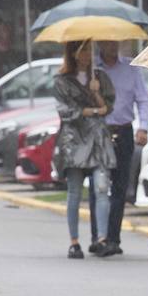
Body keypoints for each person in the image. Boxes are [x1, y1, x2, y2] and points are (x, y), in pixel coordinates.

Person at [53, 40, 117, 259]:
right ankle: (74, 241)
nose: (86, 55)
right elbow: (65, 111)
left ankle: (101, 238)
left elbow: (108, 107)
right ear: (73, 53)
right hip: (74, 141)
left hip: (98, 140)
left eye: (89, 50)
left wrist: (97, 94)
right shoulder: (62, 80)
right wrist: (90, 110)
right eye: (82, 50)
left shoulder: (99, 77)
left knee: (101, 189)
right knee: (74, 192)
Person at [96, 40, 148, 256]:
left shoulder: (131, 69)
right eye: (106, 42)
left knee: (119, 187)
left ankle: (113, 239)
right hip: (100, 132)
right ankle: (98, 236)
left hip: (124, 131)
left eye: (114, 42)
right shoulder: (93, 70)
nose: (111, 46)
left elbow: (143, 100)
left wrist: (143, 127)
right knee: (99, 187)